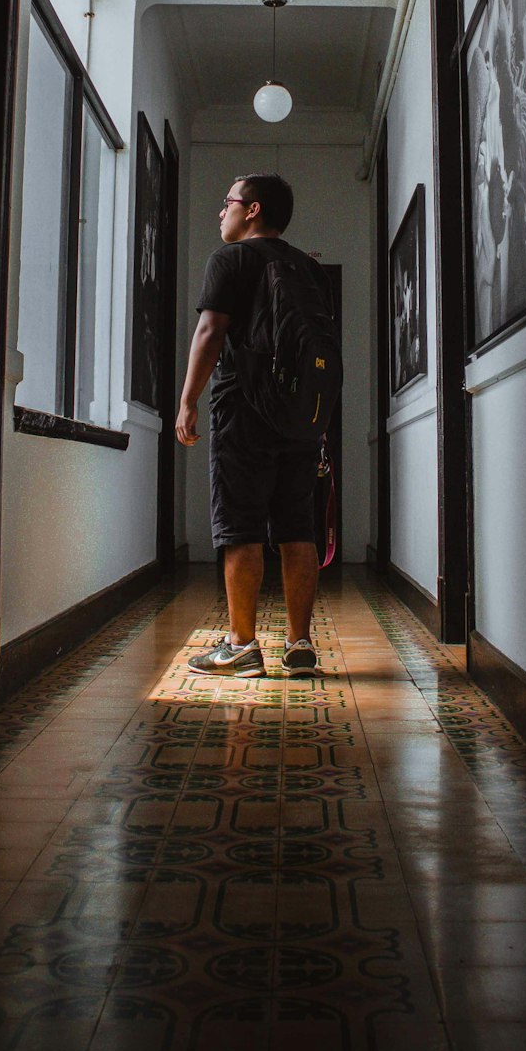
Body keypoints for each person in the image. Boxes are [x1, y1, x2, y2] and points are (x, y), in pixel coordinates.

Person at [175, 172, 327, 677]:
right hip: (302, 415)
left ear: (253, 209)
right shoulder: (309, 268)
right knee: (296, 526)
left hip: (242, 410)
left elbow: (210, 331)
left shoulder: (230, 259)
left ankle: (241, 646)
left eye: (228, 202)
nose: (222, 212)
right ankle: (300, 645)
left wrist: (188, 401)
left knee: (240, 527)